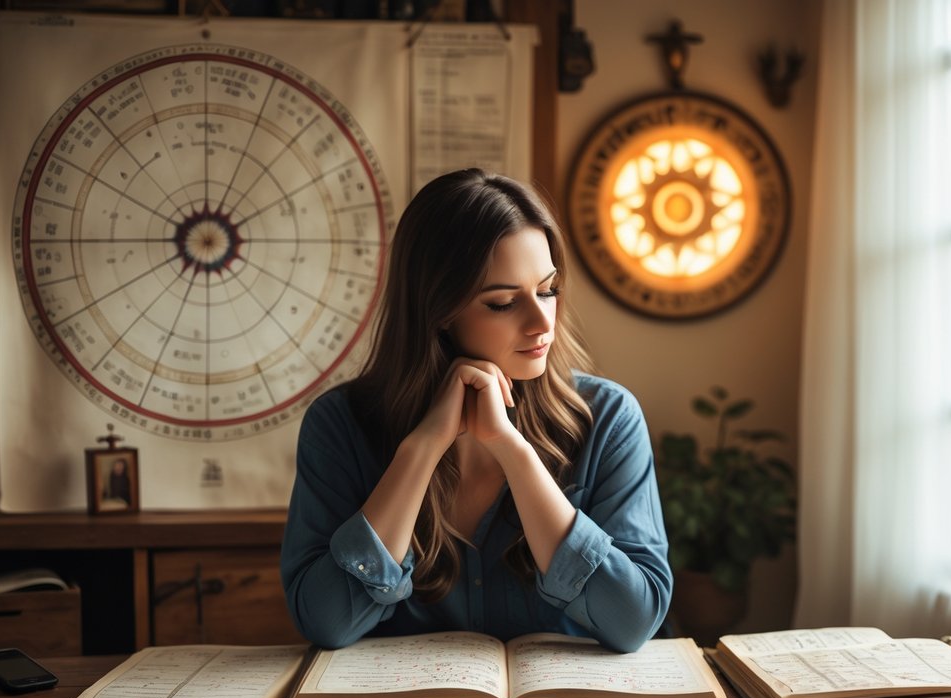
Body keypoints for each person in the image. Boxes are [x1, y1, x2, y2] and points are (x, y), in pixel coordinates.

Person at [280, 168, 670, 653]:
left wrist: (514, 452)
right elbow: (327, 622)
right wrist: (421, 449)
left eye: (547, 290)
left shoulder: (608, 418)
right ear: (439, 311)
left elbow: (634, 621)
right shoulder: (339, 425)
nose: (540, 321)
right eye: (504, 303)